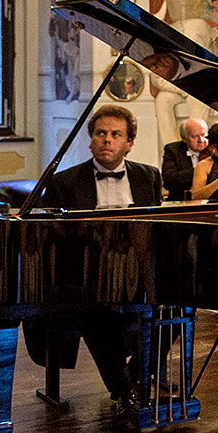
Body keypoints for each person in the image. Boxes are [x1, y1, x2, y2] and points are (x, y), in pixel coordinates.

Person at [34, 106, 163, 407]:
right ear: (90, 141)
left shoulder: (149, 177)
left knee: (173, 308)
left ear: (129, 143)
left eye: (116, 135)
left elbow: (157, 231)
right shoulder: (64, 183)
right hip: (85, 279)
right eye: (100, 134)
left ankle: (129, 380)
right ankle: (125, 390)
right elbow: (53, 243)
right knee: (93, 311)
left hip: (137, 276)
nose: (107, 140)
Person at [160, 118, 209, 201]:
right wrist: (199, 170)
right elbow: (169, 180)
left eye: (204, 135)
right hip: (182, 202)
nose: (201, 140)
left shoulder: (214, 149)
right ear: (184, 139)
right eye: (194, 136)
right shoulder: (173, 150)